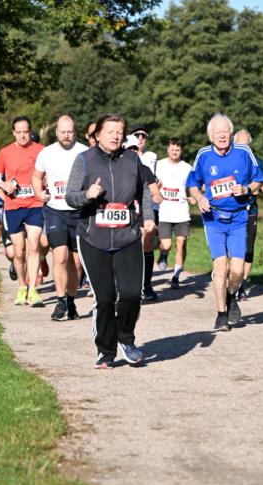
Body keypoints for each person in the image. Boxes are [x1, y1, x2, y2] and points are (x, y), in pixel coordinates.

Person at [66, 113, 157, 369]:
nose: (116, 136)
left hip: (127, 235)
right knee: (105, 297)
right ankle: (106, 351)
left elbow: (144, 191)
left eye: (120, 132)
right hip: (93, 237)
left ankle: (126, 339)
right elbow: (70, 197)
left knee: (131, 294)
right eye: (110, 131)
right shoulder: (84, 160)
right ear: (97, 135)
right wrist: (87, 194)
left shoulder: (132, 159)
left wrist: (147, 218)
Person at [187, 113, 263, 331]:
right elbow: (193, 184)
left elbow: (259, 179)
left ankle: (232, 295)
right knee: (220, 266)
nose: (222, 136)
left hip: (239, 218)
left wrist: (246, 189)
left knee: (237, 271)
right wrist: (199, 197)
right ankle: (221, 313)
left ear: (231, 134)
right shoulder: (203, 155)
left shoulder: (243, 152)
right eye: (217, 132)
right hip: (213, 217)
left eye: (225, 132)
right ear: (210, 135)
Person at [33, 115, 87, 321]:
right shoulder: (46, 153)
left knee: (75, 262)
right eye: (63, 131)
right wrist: (39, 193)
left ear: (75, 132)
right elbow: (36, 176)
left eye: (70, 131)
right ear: (56, 132)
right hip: (55, 210)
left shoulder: (84, 152)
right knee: (60, 257)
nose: (66, 135)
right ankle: (60, 300)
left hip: (79, 211)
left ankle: (71, 301)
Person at [0, 116, 45, 306]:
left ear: (30, 131)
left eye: (26, 131)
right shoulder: (5, 152)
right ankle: (22, 286)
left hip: (35, 204)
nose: (23, 135)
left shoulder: (41, 151)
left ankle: (33, 290)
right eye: (19, 132)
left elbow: (48, 172)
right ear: (14, 133)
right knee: (19, 251)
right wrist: (3, 184)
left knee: (34, 246)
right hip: (13, 205)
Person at [233, 130, 263, 300]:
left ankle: (242, 285)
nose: (244, 148)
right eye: (240, 145)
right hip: (232, 211)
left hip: (251, 211)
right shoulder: (227, 161)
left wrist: (260, 190)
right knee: (233, 249)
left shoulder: (257, 162)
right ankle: (231, 282)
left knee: (248, 249)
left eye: (247, 145)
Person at [155, 138, 194, 288]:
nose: (175, 152)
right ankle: (163, 255)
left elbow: (192, 186)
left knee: (181, 243)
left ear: (181, 151)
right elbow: (151, 183)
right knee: (166, 245)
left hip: (181, 211)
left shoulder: (187, 168)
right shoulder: (159, 165)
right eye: (172, 149)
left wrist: (192, 197)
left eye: (177, 149)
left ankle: (176, 275)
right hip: (164, 211)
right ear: (167, 149)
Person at [129, 123, 159, 302]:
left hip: (147, 204)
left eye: (144, 136)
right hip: (128, 206)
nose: (140, 138)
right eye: (137, 135)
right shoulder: (121, 157)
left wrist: (158, 190)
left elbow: (154, 179)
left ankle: (146, 284)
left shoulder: (151, 157)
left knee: (147, 242)